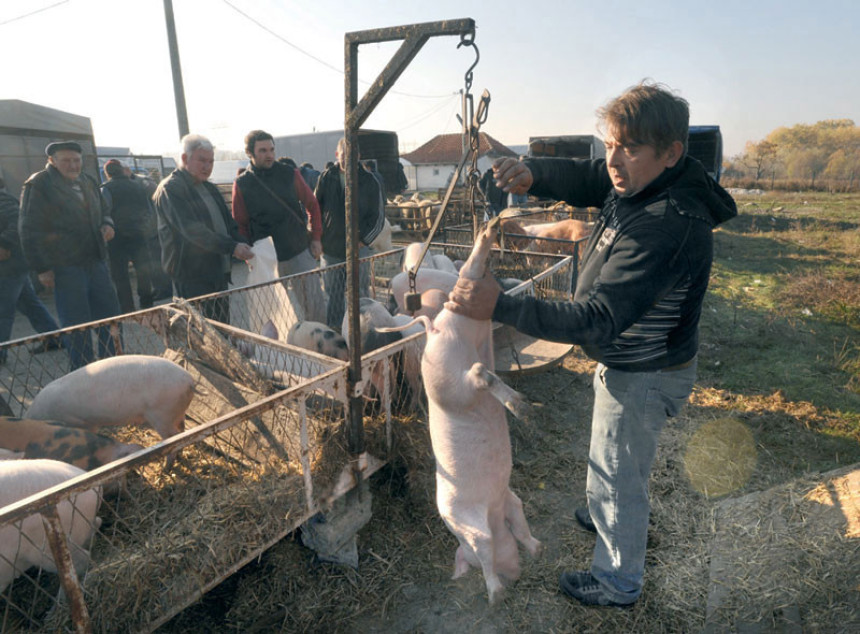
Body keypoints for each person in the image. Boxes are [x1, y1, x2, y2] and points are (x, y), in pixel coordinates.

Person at [446, 81, 737, 607]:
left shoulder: (666, 225)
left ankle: (617, 581)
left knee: (621, 472)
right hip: (632, 362)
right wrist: (535, 172)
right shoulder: (639, 185)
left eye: (629, 148)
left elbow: (597, 319)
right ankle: (605, 508)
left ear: (672, 153)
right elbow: (587, 177)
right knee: (613, 460)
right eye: (609, 144)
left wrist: (502, 304)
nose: (614, 160)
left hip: (644, 372)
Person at [19, 141, 122, 370]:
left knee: (110, 318)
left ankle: (115, 366)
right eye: (66, 160)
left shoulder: (88, 181)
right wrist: (42, 269)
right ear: (52, 161)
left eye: (76, 160)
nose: (73, 165)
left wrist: (107, 224)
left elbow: (104, 210)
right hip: (65, 267)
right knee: (77, 326)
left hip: (96, 262)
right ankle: (84, 373)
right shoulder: (39, 185)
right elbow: (29, 229)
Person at [153, 134, 253, 322]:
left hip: (217, 272)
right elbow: (192, 230)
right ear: (184, 158)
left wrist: (243, 244)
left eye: (211, 161)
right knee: (202, 333)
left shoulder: (210, 188)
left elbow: (228, 224)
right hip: (192, 275)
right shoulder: (171, 189)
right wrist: (232, 247)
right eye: (202, 160)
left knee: (222, 329)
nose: (207, 166)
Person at [232, 130, 325, 322]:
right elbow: (240, 223)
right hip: (266, 257)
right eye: (263, 150)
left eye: (272, 149)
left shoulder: (290, 173)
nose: (269, 155)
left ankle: (321, 348)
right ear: (250, 153)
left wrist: (316, 237)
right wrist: (250, 256)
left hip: (298, 249)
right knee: (273, 315)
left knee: (315, 309)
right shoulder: (242, 183)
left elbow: (313, 205)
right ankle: (284, 351)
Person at [315, 137, 385, 329]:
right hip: (331, 249)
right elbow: (315, 209)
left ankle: (365, 329)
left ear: (359, 156)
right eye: (344, 155)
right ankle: (337, 330)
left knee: (360, 291)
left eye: (352, 155)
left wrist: (363, 241)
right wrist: (317, 237)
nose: (348, 159)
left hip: (358, 249)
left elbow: (378, 217)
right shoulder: (326, 177)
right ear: (337, 155)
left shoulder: (370, 181)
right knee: (333, 294)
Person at [0, 176, 60, 364]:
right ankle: (54, 338)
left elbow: (17, 226)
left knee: (3, 308)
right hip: (12, 265)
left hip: (10, 265)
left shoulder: (3, 201)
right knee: (29, 304)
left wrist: (3, 244)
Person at [101, 159, 156, 313]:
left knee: (120, 274)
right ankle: (147, 301)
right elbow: (148, 209)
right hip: (139, 233)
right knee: (143, 269)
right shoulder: (138, 186)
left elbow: (105, 211)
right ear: (121, 170)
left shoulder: (106, 188)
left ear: (108, 173)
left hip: (116, 237)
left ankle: (127, 306)